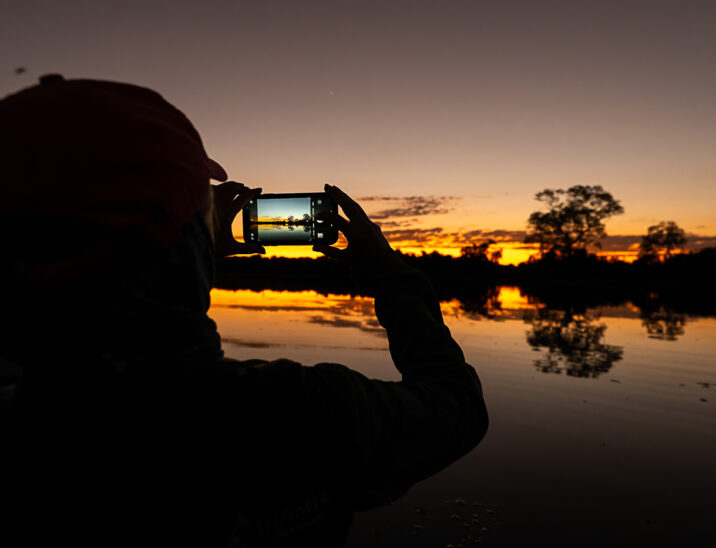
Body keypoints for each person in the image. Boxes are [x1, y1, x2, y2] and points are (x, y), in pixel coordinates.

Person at [0, 75, 488, 547]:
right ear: (181, 238)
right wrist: (390, 278)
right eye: (196, 206)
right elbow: (457, 406)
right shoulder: (307, 412)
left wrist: (188, 249)